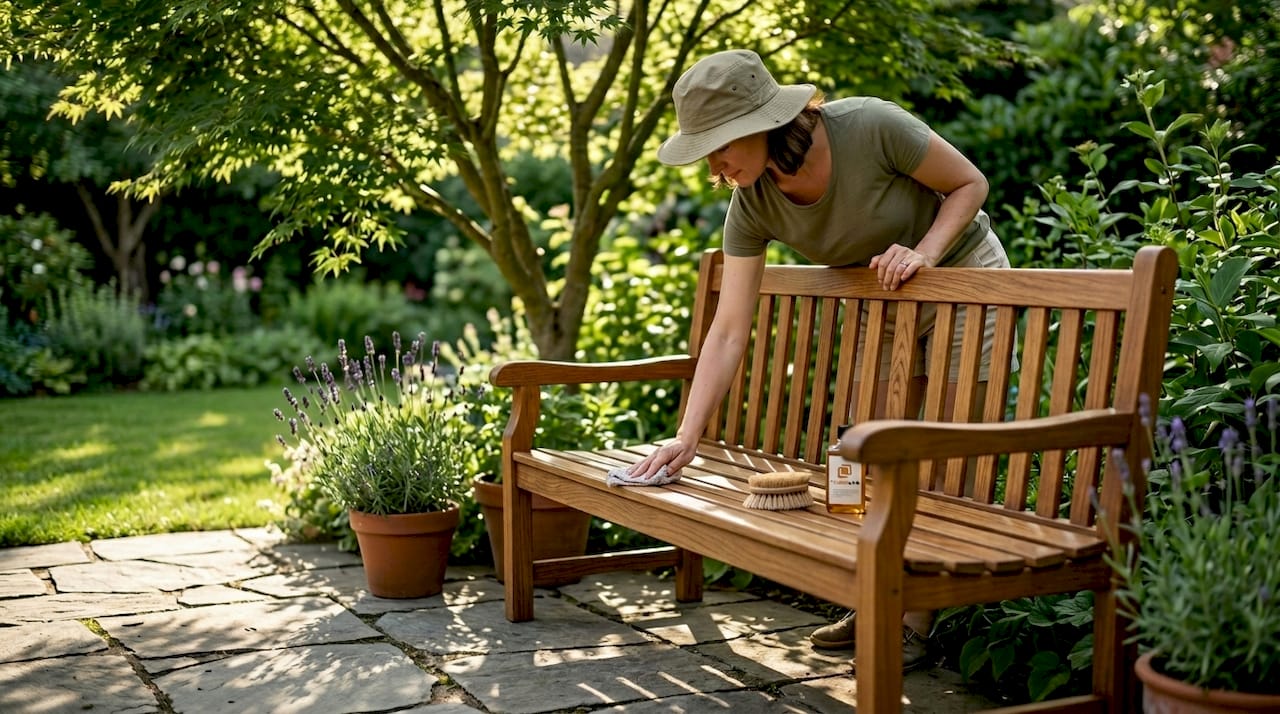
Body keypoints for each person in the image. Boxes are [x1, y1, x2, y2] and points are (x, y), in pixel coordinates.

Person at [628, 49, 1015, 671]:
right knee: (869, 441)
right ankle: (878, 595)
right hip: (886, 296)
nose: (714, 163)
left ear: (762, 124)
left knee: (951, 435)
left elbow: (970, 184)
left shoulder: (871, 125)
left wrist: (925, 254)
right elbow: (729, 329)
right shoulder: (751, 204)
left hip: (961, 274)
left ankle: (912, 619)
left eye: (720, 143)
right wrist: (688, 434)